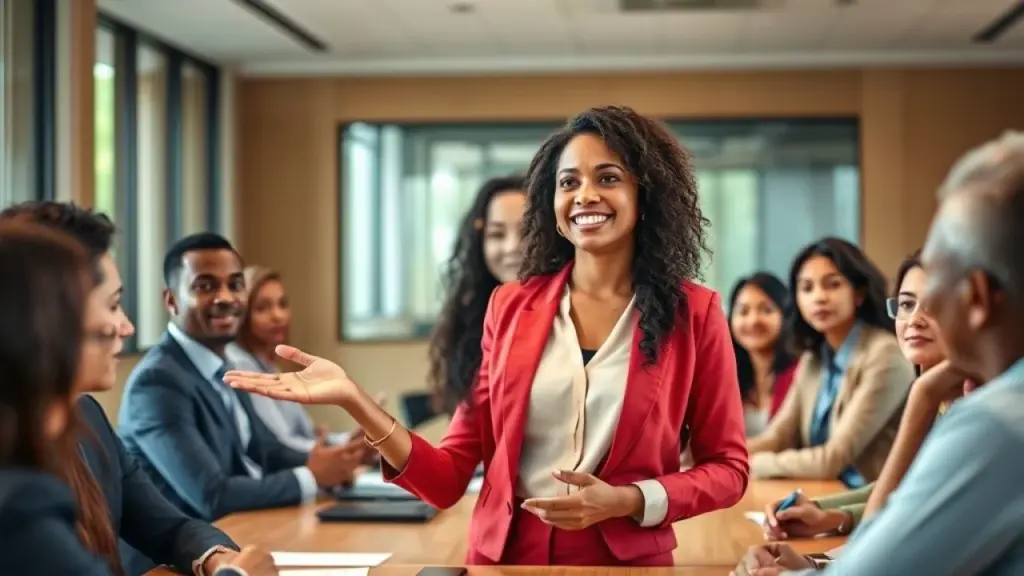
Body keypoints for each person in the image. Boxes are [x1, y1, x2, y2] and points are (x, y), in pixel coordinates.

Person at [226, 105, 749, 566]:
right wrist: (353, 399)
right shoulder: (511, 306)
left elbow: (728, 469)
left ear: (646, 194)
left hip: (626, 561)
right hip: (504, 559)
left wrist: (630, 499)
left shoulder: (695, 314)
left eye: (607, 177)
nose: (585, 194)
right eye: (568, 182)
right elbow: (449, 475)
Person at [733, 131, 1024, 575]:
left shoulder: (998, 421)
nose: (916, 316)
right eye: (906, 302)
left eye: (938, 281)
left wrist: (924, 395)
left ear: (978, 297)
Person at [0, 202, 274, 576]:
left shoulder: (88, 417)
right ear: (53, 315)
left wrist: (218, 559)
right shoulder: (15, 498)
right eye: (113, 306)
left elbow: (169, 525)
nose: (127, 328)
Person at [119, 233, 365, 521]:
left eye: (235, 284)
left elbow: (265, 450)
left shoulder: (222, 365)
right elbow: (212, 495)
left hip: (236, 536)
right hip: (172, 561)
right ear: (171, 300)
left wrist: (338, 459)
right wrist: (311, 476)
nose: (225, 297)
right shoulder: (156, 383)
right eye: (205, 286)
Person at [759, 250, 967, 544]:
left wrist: (744, 467)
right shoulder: (814, 358)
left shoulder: (963, 401)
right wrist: (825, 512)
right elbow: (902, 484)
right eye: (906, 304)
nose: (915, 319)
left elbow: (838, 463)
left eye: (935, 304)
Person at [747, 238, 915, 487]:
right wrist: (722, 458)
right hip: (823, 493)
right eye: (807, 288)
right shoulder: (813, 359)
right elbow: (777, 437)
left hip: (869, 504)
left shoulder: (885, 354)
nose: (819, 297)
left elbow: (832, 458)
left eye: (832, 285)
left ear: (858, 294)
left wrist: (755, 464)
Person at [429, 174, 526, 416]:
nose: (512, 247)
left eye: (527, 232)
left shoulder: (571, 313)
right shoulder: (470, 320)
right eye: (496, 234)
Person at [727, 272, 797, 437]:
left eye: (766, 310)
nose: (753, 321)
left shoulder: (801, 372)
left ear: (786, 316)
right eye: (743, 311)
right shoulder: (727, 377)